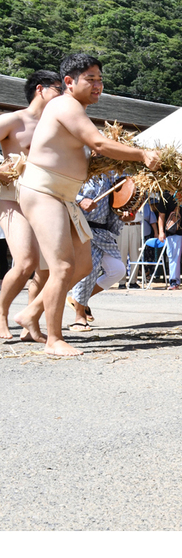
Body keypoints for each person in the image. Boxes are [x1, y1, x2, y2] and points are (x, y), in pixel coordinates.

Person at [14, 53, 160, 356]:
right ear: (69, 82)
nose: (98, 85)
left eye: (100, 79)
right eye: (90, 79)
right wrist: (141, 154)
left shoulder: (74, 109)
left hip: (63, 196)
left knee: (82, 265)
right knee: (63, 266)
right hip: (43, 191)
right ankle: (54, 340)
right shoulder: (65, 105)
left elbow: (85, 153)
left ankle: (30, 314)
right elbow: (98, 143)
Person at [0, 70, 61, 341]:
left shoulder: (56, 125)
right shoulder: (14, 119)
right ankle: (1, 316)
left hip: (45, 197)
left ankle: (31, 323)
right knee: (26, 262)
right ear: (41, 89)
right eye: (59, 89)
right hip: (11, 195)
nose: (64, 95)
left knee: (48, 268)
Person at [66, 173, 136, 330]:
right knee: (87, 271)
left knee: (117, 270)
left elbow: (115, 202)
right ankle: (79, 317)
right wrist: (79, 200)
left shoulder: (113, 174)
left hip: (102, 231)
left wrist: (122, 216)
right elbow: (61, 189)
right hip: (81, 227)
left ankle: (78, 301)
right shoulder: (79, 165)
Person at [154, 191, 182, 290]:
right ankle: (174, 281)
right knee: (173, 258)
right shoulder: (166, 195)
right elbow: (161, 215)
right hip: (172, 232)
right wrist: (161, 232)